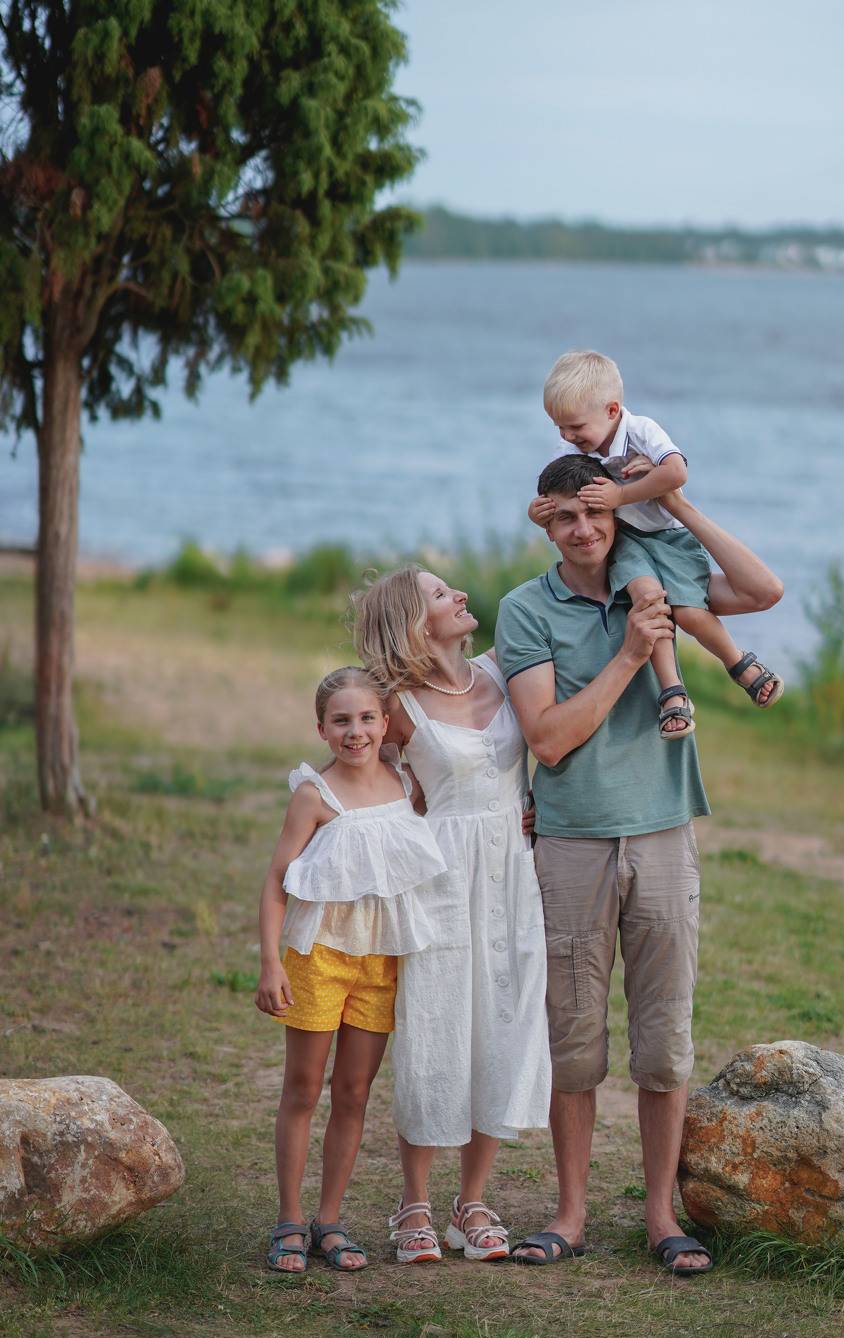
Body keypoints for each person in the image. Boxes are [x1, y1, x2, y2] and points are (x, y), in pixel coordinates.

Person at [498, 454, 783, 1274]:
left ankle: (661, 1217)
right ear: (545, 523)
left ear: (616, 512)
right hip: (571, 842)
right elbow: (547, 739)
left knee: (663, 1045)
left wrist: (674, 502)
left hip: (662, 834)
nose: (582, 529)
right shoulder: (525, 609)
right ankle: (570, 1214)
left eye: (594, 512)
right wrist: (628, 656)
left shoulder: (658, 582)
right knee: (573, 1042)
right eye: (564, 517)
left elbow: (762, 590)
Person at [355, 567, 550, 1264]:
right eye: (441, 595)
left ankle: (473, 1201)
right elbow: (367, 785)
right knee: (434, 1028)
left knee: (503, 1020)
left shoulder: (503, 670)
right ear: (413, 623)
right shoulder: (395, 703)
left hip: (512, 874)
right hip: (440, 880)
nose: (461, 596)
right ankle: (413, 1202)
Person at [254, 666, 447, 1273]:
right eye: (341, 721)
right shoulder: (315, 796)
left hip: (381, 959)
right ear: (321, 729)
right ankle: (289, 1219)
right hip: (319, 957)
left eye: (366, 718)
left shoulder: (406, 784)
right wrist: (270, 962)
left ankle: (330, 1220)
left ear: (386, 723)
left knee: (355, 1091)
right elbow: (276, 881)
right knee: (303, 1088)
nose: (355, 731)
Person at [528, 349, 783, 739]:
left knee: (690, 613)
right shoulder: (574, 451)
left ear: (612, 410)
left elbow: (676, 473)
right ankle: (672, 691)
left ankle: (737, 662)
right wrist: (538, 512)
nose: (567, 437)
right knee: (648, 599)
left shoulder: (641, 431)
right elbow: (554, 489)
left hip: (667, 539)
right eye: (559, 428)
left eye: (575, 427)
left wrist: (621, 496)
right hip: (626, 541)